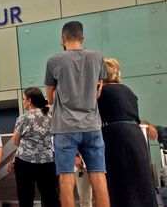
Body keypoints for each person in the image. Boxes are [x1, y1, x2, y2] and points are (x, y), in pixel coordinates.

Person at [44, 21, 109, 207]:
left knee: (66, 177)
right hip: (92, 125)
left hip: (65, 127)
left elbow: (50, 97)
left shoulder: (54, 61)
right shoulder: (97, 57)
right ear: (82, 38)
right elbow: (97, 93)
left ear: (62, 39)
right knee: (98, 175)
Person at [98, 58, 157, 207]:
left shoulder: (102, 92)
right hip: (135, 135)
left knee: (121, 180)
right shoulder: (128, 91)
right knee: (140, 178)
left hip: (116, 136)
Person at [12, 88, 59, 207]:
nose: (23, 101)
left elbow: (15, 141)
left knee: (26, 198)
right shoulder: (50, 117)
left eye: (23, 99)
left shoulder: (24, 118)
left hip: (25, 162)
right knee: (50, 197)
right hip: (47, 162)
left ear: (29, 100)